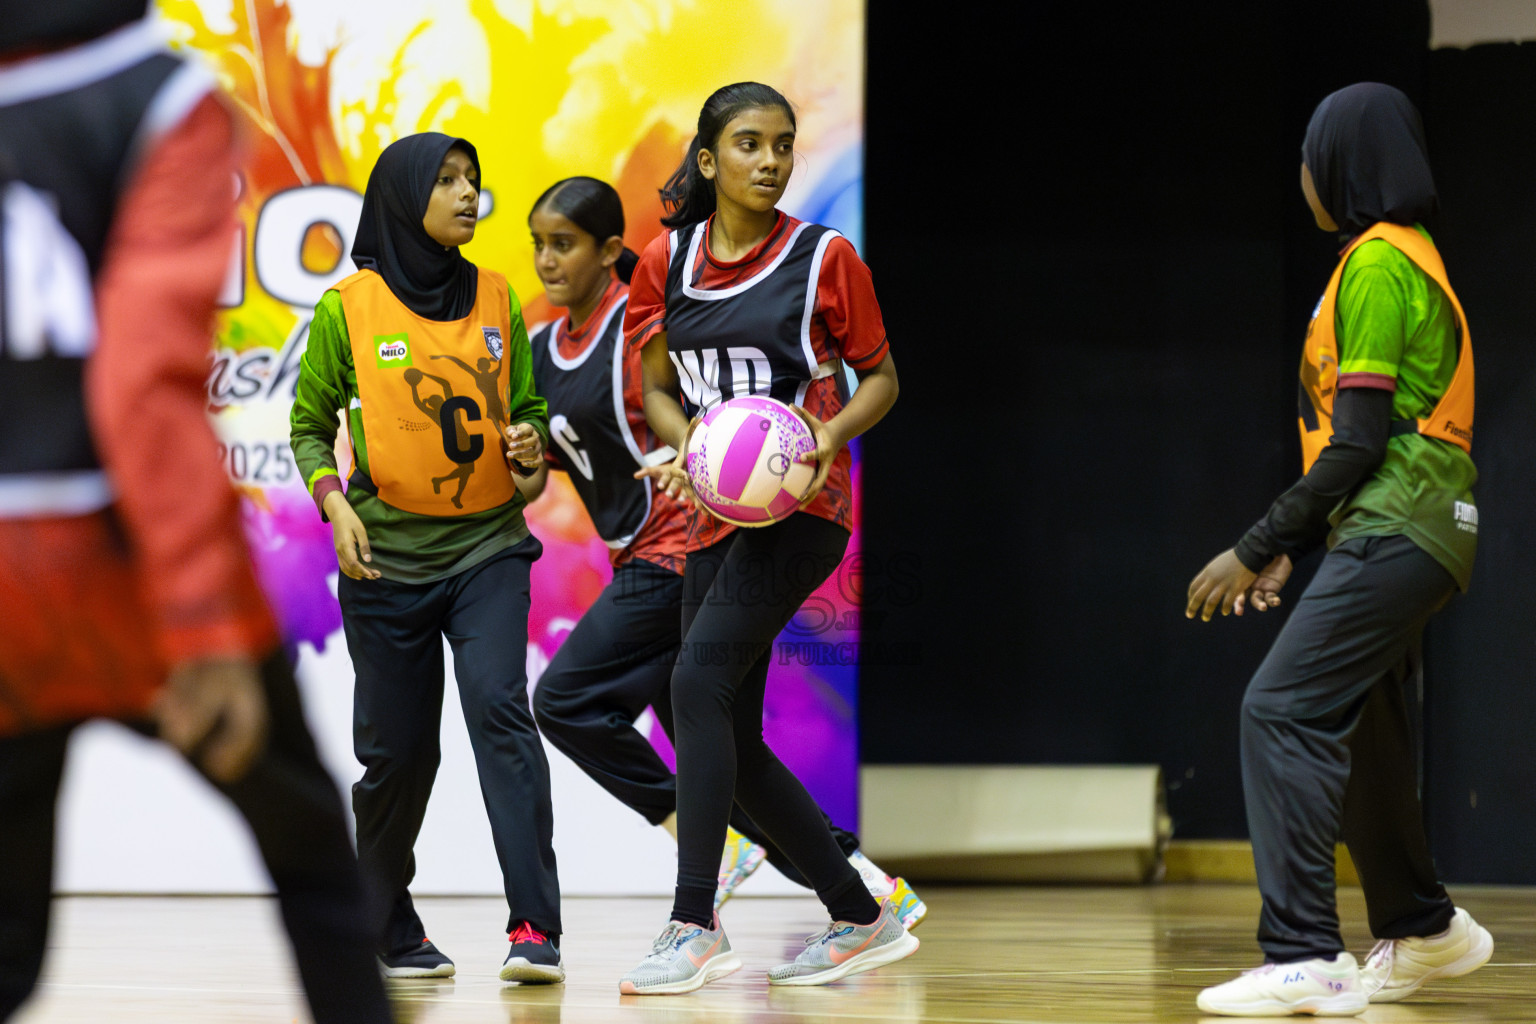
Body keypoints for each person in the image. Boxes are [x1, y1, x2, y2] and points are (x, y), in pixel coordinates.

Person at [0, 5, 391, 1022]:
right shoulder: (158, 94)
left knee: (5, 954)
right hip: (112, 564)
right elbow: (140, 386)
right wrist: (205, 620)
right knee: (314, 870)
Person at [517, 176, 926, 924]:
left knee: (569, 699)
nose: (546, 260)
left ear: (612, 252)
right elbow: (541, 470)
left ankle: (712, 863)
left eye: (564, 244)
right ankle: (864, 889)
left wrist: (705, 458)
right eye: (537, 244)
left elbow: (722, 414)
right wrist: (521, 459)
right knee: (723, 749)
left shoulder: (645, 325)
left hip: (679, 549)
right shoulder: (542, 349)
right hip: (641, 553)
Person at [1186, 82, 1492, 1017]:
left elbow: (1360, 442)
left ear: (1343, 165)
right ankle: (1426, 929)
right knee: (1362, 728)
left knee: (1281, 711)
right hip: (1420, 528)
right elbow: (1371, 439)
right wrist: (1301, 543)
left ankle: (1304, 952)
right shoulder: (1405, 257)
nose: (1303, 175)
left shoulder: (1375, 264)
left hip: (1398, 524)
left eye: (1311, 155)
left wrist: (1258, 544)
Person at [614, 83, 916, 995]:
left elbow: (883, 378)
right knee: (726, 733)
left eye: (783, 145)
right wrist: (689, 444)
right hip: (714, 508)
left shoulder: (826, 257)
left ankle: (693, 921)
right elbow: (656, 385)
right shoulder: (665, 261)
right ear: (708, 161)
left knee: (693, 680)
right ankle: (861, 912)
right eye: (749, 144)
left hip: (804, 511)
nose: (771, 160)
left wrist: (822, 439)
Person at [289, 132, 563, 983]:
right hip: (384, 568)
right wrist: (334, 505)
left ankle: (534, 930)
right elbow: (305, 425)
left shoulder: (498, 298)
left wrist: (529, 451)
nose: (467, 195)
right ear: (405, 196)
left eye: (473, 180)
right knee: (399, 756)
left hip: (488, 550)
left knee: (501, 715)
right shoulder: (349, 309)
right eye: (446, 182)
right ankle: (386, 920)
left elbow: (528, 420)